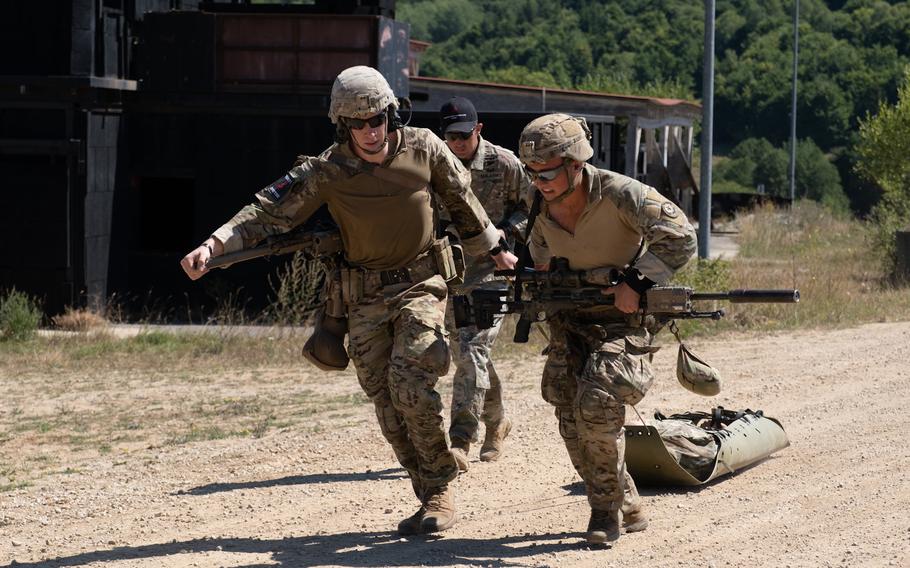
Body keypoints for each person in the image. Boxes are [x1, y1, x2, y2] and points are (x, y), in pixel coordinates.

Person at [180, 66, 517, 535]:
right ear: (343, 125)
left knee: (410, 379)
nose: (370, 131)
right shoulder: (326, 169)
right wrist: (213, 246)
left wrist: (496, 250)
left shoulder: (423, 146)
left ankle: (441, 487)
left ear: (391, 114)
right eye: (357, 124)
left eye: (377, 118)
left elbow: (463, 203)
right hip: (362, 295)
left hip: (421, 284)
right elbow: (267, 213)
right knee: (384, 400)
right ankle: (427, 492)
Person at [517, 113, 697, 545]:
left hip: (626, 321)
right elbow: (539, 253)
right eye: (532, 172)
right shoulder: (537, 201)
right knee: (567, 411)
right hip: (572, 319)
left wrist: (636, 282)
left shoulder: (622, 194)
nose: (540, 181)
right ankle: (625, 501)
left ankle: (603, 510)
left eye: (548, 172)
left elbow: (681, 237)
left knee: (596, 404)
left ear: (576, 163)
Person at [437, 97, 531, 472]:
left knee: (472, 348)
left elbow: (533, 207)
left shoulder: (504, 164)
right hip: (451, 272)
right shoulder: (436, 165)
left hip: (494, 268)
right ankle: (498, 421)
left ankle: (460, 439)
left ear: (478, 129)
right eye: (451, 136)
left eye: (464, 134)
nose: (458, 142)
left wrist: (505, 235)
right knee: (467, 353)